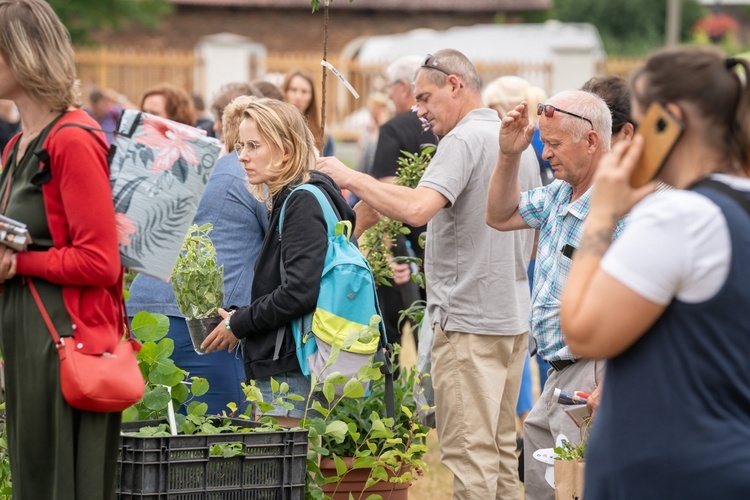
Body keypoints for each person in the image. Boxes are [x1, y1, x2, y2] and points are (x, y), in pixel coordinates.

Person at [318, 49, 540, 499]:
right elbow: (530, 239)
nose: (418, 111)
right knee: (498, 454)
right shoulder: (513, 143)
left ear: (455, 85)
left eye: (424, 97)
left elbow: (419, 209)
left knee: (469, 456)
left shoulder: (460, 140)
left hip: (469, 326)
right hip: (511, 318)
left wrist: (349, 176)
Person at [561, 46, 750, 499]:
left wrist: (603, 213)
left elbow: (582, 331)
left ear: (670, 121)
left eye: (644, 124)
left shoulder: (682, 216)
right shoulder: (736, 202)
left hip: (667, 471)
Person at [0, 0, 125, 497]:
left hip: (67, 342)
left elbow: (100, 260)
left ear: (23, 55)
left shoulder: (71, 139)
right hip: (26, 336)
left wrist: (18, 263)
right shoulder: (17, 146)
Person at [485, 89, 622, 500]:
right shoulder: (560, 194)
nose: (545, 154)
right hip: (557, 371)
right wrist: (508, 156)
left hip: (592, 373)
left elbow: (647, 305)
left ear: (592, 140)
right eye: (544, 143)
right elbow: (498, 214)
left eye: (555, 144)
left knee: (574, 488)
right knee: (545, 486)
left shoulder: (620, 209)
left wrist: (611, 381)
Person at [201, 98, 355, 428]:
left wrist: (239, 324)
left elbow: (299, 291)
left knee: (285, 470)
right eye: (242, 145)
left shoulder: (300, 201)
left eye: (254, 146)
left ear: (285, 151)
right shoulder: (294, 196)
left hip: (293, 367)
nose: (242, 155)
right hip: (296, 360)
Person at [127, 89, 268, 415]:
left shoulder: (197, 166)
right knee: (223, 434)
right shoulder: (250, 176)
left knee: (158, 430)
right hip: (198, 320)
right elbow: (285, 247)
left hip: (143, 306)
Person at [283, 68, 334, 156]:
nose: (298, 97)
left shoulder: (323, 134)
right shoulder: (275, 126)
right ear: (285, 92)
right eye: (293, 90)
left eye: (304, 91)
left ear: (311, 97)